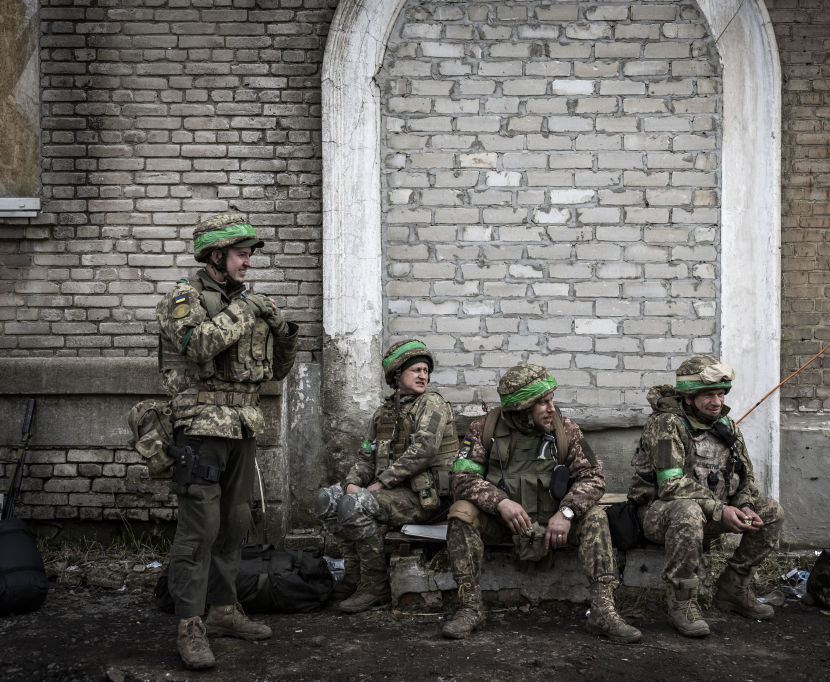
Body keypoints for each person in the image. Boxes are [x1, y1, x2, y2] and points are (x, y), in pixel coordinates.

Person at [155, 212, 298, 669]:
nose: (248, 264)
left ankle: (223, 610)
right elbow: (197, 345)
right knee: (200, 530)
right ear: (216, 255)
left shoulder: (249, 304)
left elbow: (277, 371)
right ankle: (190, 625)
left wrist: (283, 330)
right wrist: (250, 310)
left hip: (243, 426)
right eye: (241, 254)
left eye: (250, 255)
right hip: (200, 427)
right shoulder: (183, 298)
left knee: (236, 524)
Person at [442, 364, 641, 643]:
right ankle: (470, 608)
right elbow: (461, 477)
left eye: (551, 400)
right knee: (461, 513)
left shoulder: (565, 429)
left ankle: (603, 611)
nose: (550, 408)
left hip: (554, 524)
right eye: (542, 403)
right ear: (521, 408)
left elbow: (593, 477)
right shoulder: (483, 428)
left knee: (595, 516)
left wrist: (567, 512)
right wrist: (500, 502)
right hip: (505, 524)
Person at [628, 355, 783, 637]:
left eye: (721, 393)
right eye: (709, 395)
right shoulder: (667, 425)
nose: (717, 401)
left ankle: (734, 588)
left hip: (712, 511)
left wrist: (745, 504)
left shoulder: (726, 425)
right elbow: (670, 485)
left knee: (770, 510)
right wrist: (720, 509)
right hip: (658, 515)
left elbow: (745, 477)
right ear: (688, 397)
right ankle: (682, 602)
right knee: (687, 511)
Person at [314, 339, 459, 613]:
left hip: (427, 500)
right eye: (415, 370)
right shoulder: (384, 413)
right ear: (396, 376)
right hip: (394, 495)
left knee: (355, 505)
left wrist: (380, 484)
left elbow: (424, 450)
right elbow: (366, 454)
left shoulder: (432, 404)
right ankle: (354, 574)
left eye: (425, 371)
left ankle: (375, 585)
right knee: (328, 499)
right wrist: (353, 482)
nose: (422, 375)